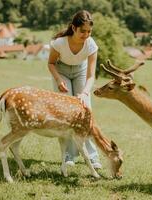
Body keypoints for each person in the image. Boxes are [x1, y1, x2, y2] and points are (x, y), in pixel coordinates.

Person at [47, 10, 101, 169]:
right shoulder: (60, 43)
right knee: (67, 114)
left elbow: (91, 76)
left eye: (89, 31)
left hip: (81, 71)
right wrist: (58, 80)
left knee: (85, 113)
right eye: (82, 31)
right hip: (61, 71)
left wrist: (84, 93)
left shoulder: (91, 45)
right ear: (74, 28)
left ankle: (92, 157)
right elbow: (50, 63)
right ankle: (69, 155)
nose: (86, 34)